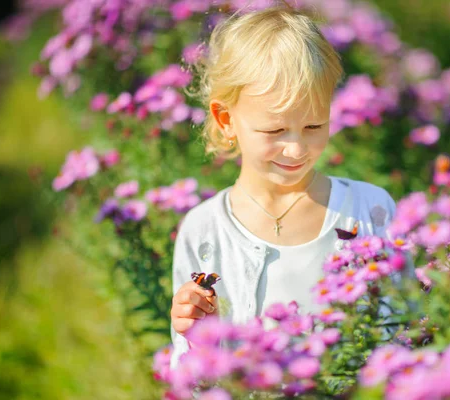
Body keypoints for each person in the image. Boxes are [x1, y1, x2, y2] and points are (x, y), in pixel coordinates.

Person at [169, 4, 398, 370]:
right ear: (225, 120)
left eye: (313, 126)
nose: (296, 149)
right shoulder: (204, 232)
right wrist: (200, 339)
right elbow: (191, 377)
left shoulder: (370, 209)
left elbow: (408, 332)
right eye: (275, 130)